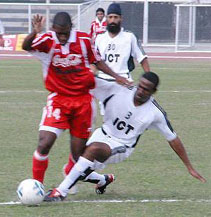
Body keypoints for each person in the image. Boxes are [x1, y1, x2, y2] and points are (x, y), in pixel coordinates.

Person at [44, 71, 206, 202]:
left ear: (153, 91)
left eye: (146, 89)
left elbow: (173, 138)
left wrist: (189, 167)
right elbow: (90, 79)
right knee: (80, 167)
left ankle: (60, 192)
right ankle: (103, 180)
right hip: (101, 134)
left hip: (121, 146)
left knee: (91, 152)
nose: (141, 91)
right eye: (140, 86)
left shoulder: (155, 113)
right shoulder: (118, 89)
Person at [21, 12, 131, 188]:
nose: (62, 37)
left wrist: (117, 76)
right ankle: (37, 186)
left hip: (83, 102)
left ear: (71, 28)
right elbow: (26, 46)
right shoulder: (48, 39)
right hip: (58, 99)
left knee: (78, 153)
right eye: (59, 33)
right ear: (53, 29)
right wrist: (35, 32)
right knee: (44, 143)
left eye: (65, 32)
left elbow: (98, 60)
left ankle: (73, 178)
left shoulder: (83, 39)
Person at [94, 3, 150, 81]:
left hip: (124, 79)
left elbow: (142, 58)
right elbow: (94, 61)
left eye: (115, 17)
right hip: (103, 79)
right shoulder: (99, 38)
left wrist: (149, 78)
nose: (113, 20)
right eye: (110, 17)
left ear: (121, 18)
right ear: (106, 18)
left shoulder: (130, 37)